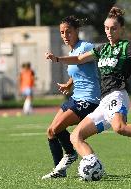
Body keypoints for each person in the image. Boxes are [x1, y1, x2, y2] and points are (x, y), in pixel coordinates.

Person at [45, 7, 131, 175]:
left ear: (121, 29)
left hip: (118, 94)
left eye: (113, 28)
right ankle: (92, 164)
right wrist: (58, 59)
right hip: (103, 102)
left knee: (119, 127)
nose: (109, 32)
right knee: (75, 137)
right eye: (106, 28)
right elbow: (79, 59)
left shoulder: (126, 47)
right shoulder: (102, 49)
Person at [41, 16, 101, 179]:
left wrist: (58, 59)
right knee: (51, 132)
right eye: (62, 32)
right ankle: (60, 171)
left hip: (89, 100)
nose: (65, 35)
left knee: (56, 128)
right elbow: (79, 71)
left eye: (68, 31)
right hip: (76, 98)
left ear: (76, 32)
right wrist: (69, 84)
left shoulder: (86, 46)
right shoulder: (72, 50)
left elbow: (79, 60)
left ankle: (70, 154)